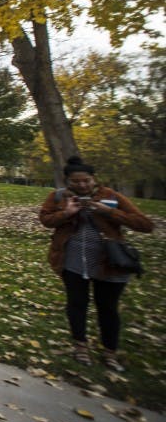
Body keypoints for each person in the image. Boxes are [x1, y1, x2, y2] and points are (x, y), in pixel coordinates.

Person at [39, 156, 153, 371]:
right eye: (76, 182)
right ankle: (80, 346)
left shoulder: (111, 196)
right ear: (68, 181)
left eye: (86, 181)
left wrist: (107, 211)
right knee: (77, 303)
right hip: (71, 260)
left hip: (109, 262)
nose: (82, 185)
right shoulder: (58, 197)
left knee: (108, 307)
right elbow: (45, 220)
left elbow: (145, 225)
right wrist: (67, 213)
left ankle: (110, 352)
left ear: (94, 179)